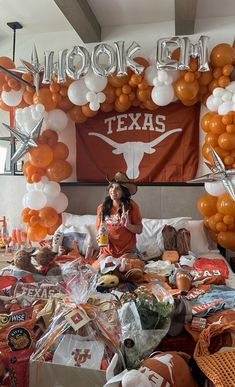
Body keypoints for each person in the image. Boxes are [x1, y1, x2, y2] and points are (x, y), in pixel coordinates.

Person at [95, 171, 143, 262]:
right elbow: (98, 230)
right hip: (107, 251)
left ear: (124, 192)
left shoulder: (132, 206)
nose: (113, 190)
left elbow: (140, 230)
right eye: (112, 187)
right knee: (102, 270)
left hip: (128, 251)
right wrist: (98, 237)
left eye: (118, 188)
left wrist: (128, 225)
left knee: (127, 268)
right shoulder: (102, 208)